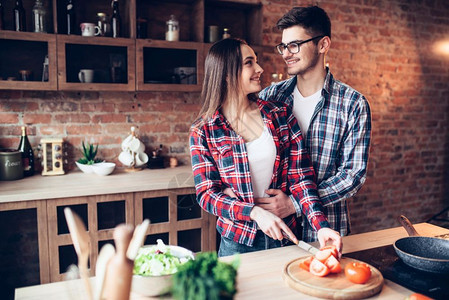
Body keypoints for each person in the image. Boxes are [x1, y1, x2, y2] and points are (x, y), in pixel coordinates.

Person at [189, 38, 342, 257]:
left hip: (285, 236)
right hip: (237, 241)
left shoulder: (279, 114)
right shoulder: (203, 130)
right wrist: (254, 212)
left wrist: (321, 225)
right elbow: (206, 194)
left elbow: (301, 178)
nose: (259, 69)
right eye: (249, 63)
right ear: (226, 73)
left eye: (256, 61)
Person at [258, 6, 372, 242]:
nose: (286, 54)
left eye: (294, 45)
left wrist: (294, 204)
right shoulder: (271, 97)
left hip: (324, 230)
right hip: (273, 232)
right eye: (283, 46)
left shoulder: (353, 103)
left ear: (323, 45)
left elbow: (352, 176)